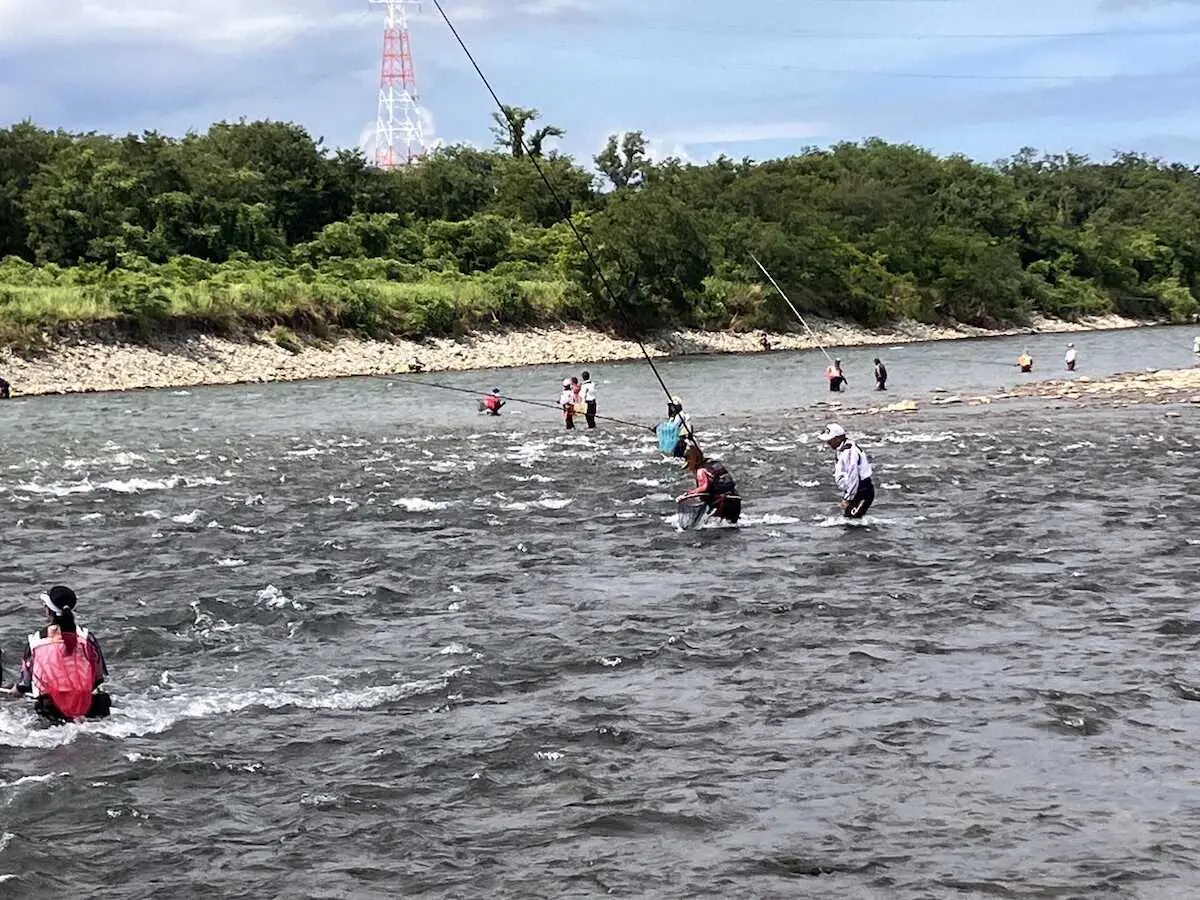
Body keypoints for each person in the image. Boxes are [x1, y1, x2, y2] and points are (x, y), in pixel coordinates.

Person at [5, 585, 110, 723]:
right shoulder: (87, 637)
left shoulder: (35, 641)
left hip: (51, 708)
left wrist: (16, 690)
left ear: (49, 611)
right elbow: (98, 677)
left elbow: (26, 683)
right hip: (89, 706)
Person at [819, 423, 875, 519]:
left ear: (838, 438)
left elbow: (853, 477)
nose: (828, 443)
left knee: (852, 522)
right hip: (855, 491)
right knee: (850, 519)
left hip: (862, 491)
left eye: (830, 440)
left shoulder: (849, 452)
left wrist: (847, 498)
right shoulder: (842, 449)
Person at [678, 444, 741, 524]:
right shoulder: (712, 464)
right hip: (735, 501)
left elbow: (704, 487)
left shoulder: (701, 471)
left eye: (689, 466)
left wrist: (690, 493)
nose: (689, 469)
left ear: (693, 462)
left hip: (723, 504)